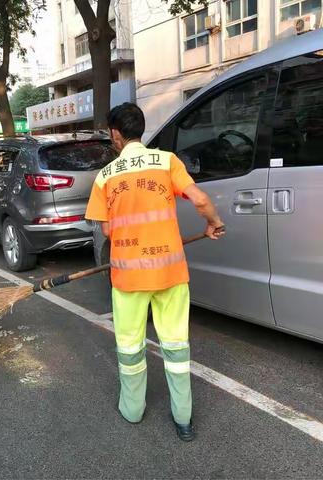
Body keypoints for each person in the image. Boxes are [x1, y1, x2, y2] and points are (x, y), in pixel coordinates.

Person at [85, 103, 225, 442]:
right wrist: (213, 223)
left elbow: (105, 232)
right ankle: (184, 419)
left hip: (128, 279)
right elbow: (200, 199)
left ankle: (133, 410)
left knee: (130, 348)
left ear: (115, 134)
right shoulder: (167, 161)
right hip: (170, 273)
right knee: (176, 347)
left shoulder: (105, 177)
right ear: (141, 130)